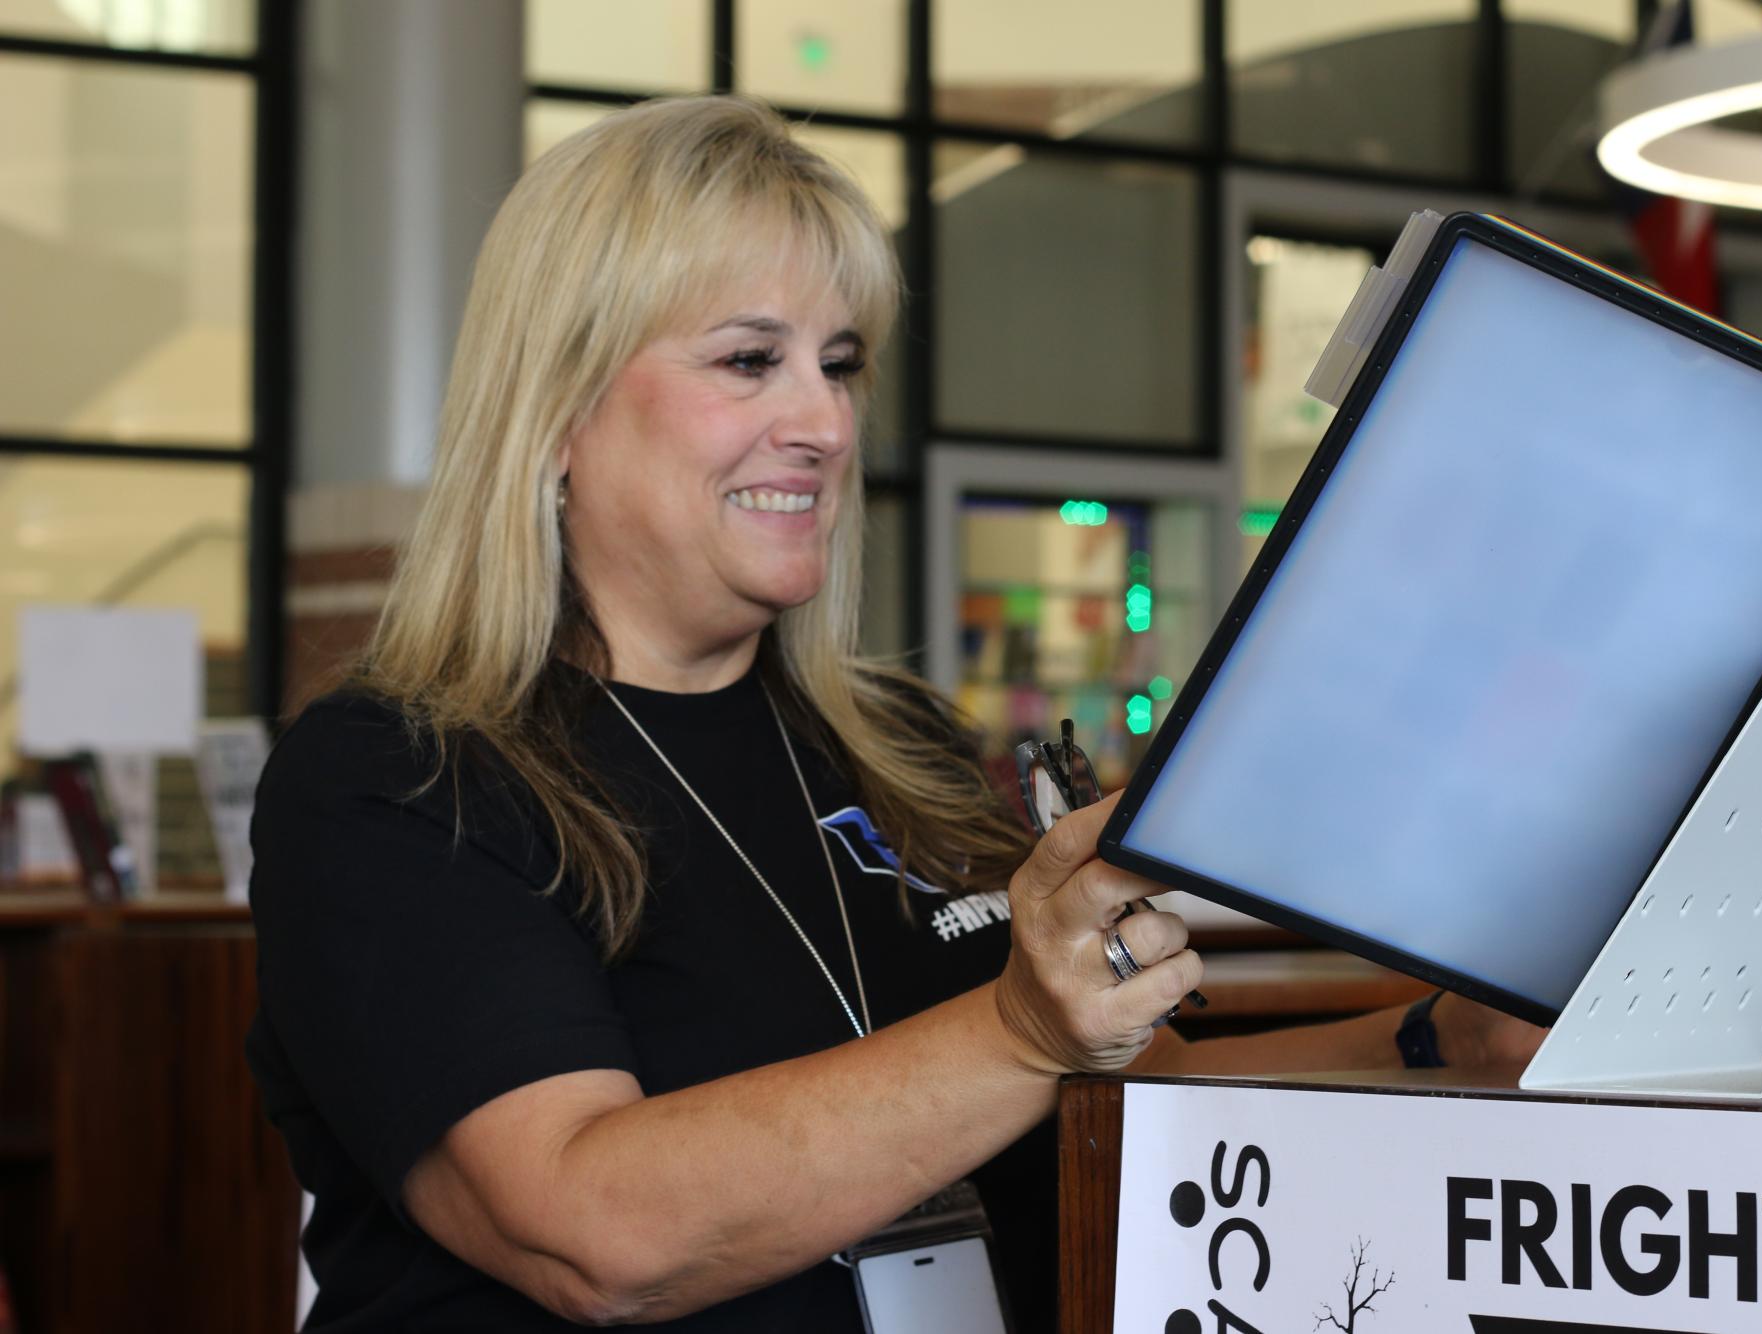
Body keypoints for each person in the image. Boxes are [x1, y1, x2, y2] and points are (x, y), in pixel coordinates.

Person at [245, 95, 1538, 1331]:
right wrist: (1018, 1025)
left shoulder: (900, 747)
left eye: (840, 363)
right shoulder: (398, 779)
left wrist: (1436, 1045)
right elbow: (590, 1229)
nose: (819, 419)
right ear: (558, 410)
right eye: (749, 359)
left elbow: (1115, 1100)